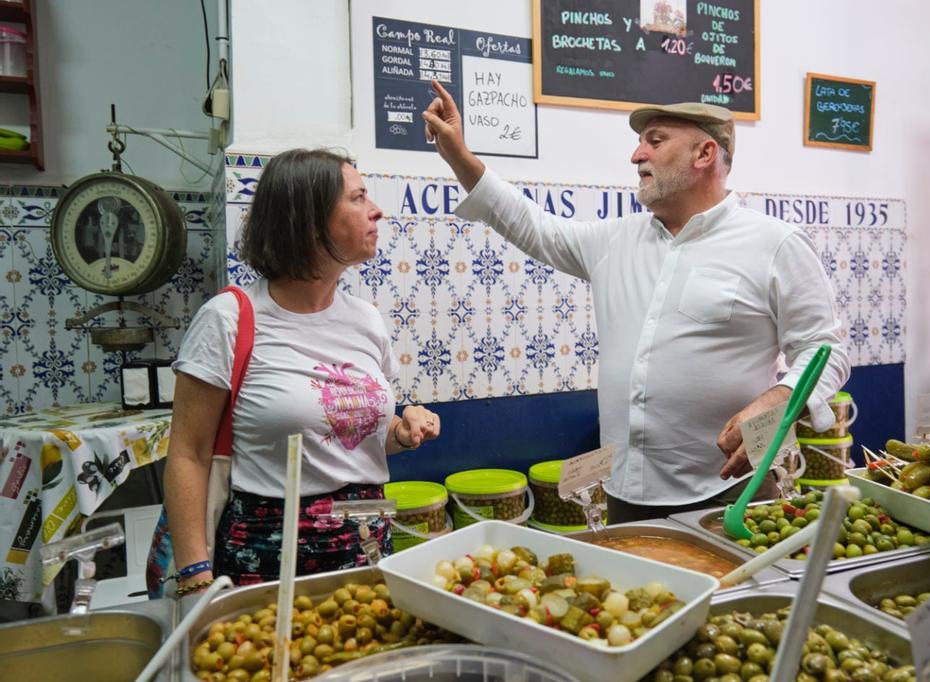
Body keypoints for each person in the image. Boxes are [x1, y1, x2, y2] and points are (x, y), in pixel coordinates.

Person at [422, 81, 849, 524]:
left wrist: (777, 399)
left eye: (655, 141)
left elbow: (826, 352)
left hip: (731, 489)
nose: (636, 155)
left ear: (704, 155)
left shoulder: (775, 243)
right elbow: (529, 224)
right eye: (639, 143)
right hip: (627, 493)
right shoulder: (614, 240)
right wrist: (460, 156)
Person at [163, 149, 441, 594]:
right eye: (358, 198)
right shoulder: (228, 318)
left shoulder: (366, 320)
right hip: (267, 556)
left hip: (367, 546)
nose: (376, 211)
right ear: (308, 221)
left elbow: (348, 435)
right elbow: (188, 455)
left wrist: (401, 431)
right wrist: (194, 575)